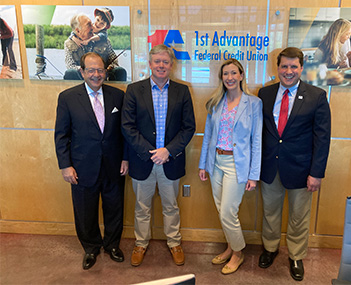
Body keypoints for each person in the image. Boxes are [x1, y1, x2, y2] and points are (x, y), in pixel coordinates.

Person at [258, 47, 331, 281]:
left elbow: (322, 138)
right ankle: (270, 249)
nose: (288, 71)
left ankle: (296, 256)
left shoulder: (316, 96)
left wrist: (316, 173)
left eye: (293, 67)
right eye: (284, 66)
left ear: (301, 68)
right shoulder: (264, 94)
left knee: (299, 216)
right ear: (277, 68)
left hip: (302, 169)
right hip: (270, 166)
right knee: (270, 213)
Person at [121, 44, 195, 267]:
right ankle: (141, 243)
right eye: (157, 61)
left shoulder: (182, 91)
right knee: (141, 207)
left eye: (165, 62)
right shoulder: (134, 90)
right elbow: (127, 126)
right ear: (150, 63)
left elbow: (188, 127)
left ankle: (174, 242)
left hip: (170, 160)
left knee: (171, 205)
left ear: (171, 65)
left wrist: (168, 151)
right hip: (142, 160)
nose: (161, 65)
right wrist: (150, 152)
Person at [55, 52, 128, 270]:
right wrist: (65, 165)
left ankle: (112, 245)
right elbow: (61, 135)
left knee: (115, 208)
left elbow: (124, 132)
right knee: (85, 211)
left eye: (100, 70)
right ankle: (91, 248)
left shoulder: (118, 96)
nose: (96, 75)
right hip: (81, 167)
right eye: (91, 70)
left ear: (106, 71)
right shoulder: (67, 97)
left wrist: (125, 158)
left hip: (114, 165)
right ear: (82, 71)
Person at [198, 59, 262, 275]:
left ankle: (238, 253)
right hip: (216, 162)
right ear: (221, 78)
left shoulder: (253, 104)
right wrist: (203, 165)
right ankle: (230, 246)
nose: (230, 78)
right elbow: (208, 135)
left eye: (234, 73)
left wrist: (254, 175)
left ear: (241, 76)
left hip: (237, 164)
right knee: (222, 210)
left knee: (228, 211)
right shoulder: (216, 102)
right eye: (226, 74)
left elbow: (257, 141)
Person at [64, 13, 126, 81]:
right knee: (70, 73)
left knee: (120, 71)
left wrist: (109, 67)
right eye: (89, 25)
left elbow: (114, 60)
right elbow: (70, 66)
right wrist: (88, 70)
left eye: (92, 23)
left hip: (102, 80)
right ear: (78, 31)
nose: (93, 27)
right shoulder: (69, 44)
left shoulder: (104, 40)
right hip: (81, 81)